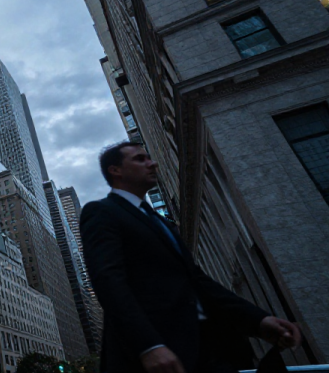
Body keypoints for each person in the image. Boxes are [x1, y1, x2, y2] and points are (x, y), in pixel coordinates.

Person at [80, 142, 301, 373]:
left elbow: (196, 280)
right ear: (116, 170)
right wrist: (148, 345)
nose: (152, 163)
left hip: (210, 348)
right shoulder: (101, 212)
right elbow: (108, 281)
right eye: (140, 159)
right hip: (161, 357)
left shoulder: (159, 220)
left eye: (150, 157)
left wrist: (259, 321)